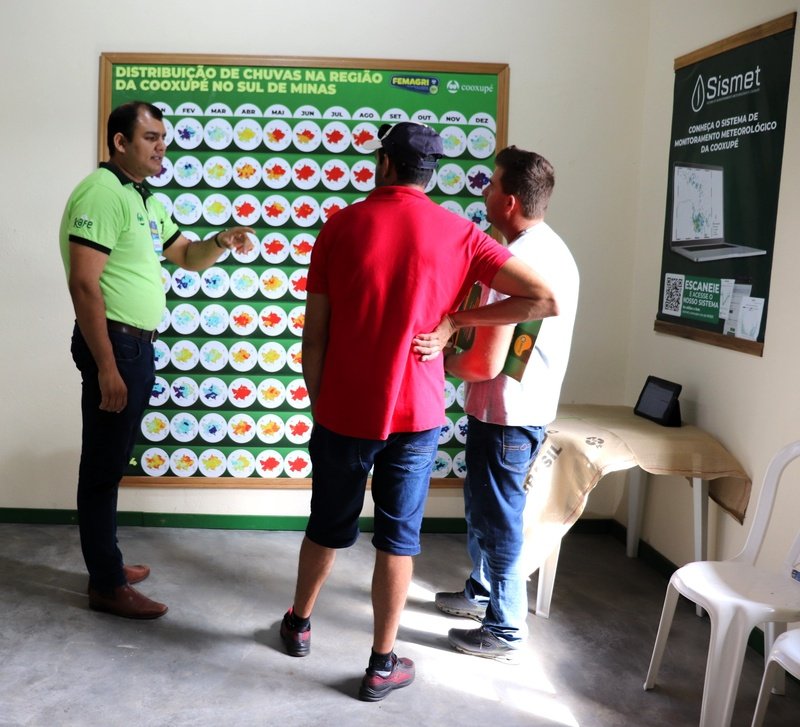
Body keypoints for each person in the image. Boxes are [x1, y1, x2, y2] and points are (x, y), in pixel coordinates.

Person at [278, 122, 559, 703]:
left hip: (343, 410)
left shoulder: (341, 226)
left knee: (326, 524)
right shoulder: (461, 234)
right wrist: (459, 322)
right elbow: (543, 298)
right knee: (398, 539)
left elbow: (315, 338)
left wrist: (321, 399)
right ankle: (382, 662)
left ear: (385, 164)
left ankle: (299, 622)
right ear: (430, 174)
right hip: (417, 414)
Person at [59, 101, 254, 619]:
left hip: (135, 346)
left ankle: (109, 563)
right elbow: (83, 282)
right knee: (102, 468)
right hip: (116, 347)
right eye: (149, 137)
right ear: (120, 143)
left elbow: (187, 256)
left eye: (163, 137)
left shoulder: (144, 198)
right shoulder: (101, 193)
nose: (161, 145)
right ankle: (105, 583)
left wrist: (221, 241)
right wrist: (106, 365)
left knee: (111, 462)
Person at [432, 146, 579, 663]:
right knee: (485, 510)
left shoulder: (521, 265)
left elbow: (486, 365)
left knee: (498, 519)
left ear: (510, 200)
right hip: (515, 410)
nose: (483, 193)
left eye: (490, 186)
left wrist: (433, 355)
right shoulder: (546, 249)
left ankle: (505, 629)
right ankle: (479, 594)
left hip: (508, 415)